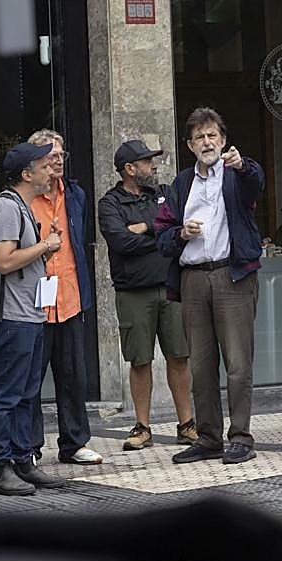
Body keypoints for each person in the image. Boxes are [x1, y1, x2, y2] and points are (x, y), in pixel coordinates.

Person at [155, 107, 264, 466]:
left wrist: (242, 164)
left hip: (231, 275)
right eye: (200, 137)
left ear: (224, 140)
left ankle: (241, 436)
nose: (207, 142)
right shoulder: (181, 184)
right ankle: (208, 437)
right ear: (189, 144)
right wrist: (179, 234)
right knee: (200, 365)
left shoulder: (235, 173)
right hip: (193, 279)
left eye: (212, 135)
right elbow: (161, 234)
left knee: (237, 363)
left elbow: (256, 183)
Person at [0, 142, 70, 495]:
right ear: (26, 174)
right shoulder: (5, 207)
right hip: (10, 316)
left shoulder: (22, 205)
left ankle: (21, 461)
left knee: (25, 393)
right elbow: (4, 261)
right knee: (5, 393)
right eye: (43, 165)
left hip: (28, 313)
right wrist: (46, 246)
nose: (51, 170)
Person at [98, 139, 196, 451]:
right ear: (129, 169)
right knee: (139, 360)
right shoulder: (109, 203)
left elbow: (177, 228)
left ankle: (187, 424)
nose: (153, 166)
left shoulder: (165, 192)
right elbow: (121, 243)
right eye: (146, 161)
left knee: (179, 356)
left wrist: (145, 228)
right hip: (132, 292)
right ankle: (142, 426)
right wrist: (162, 234)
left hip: (171, 286)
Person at [25, 129, 102, 466]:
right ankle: (29, 445)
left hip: (70, 296)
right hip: (33, 301)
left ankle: (74, 443)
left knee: (73, 375)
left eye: (61, 154)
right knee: (30, 379)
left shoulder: (74, 194)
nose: (57, 160)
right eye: (50, 154)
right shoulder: (22, 198)